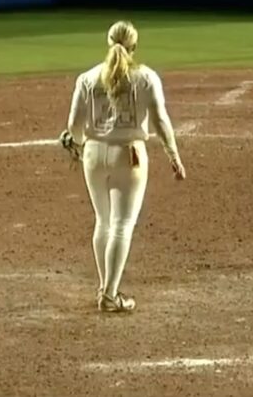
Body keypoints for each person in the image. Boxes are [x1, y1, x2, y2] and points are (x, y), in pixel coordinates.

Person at [59, 21, 187, 313]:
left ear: (108, 42)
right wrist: (174, 156)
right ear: (134, 47)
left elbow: (74, 127)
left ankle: (106, 287)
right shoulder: (145, 77)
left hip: (92, 155)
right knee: (122, 224)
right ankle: (110, 294)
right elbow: (160, 120)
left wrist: (73, 141)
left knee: (103, 221)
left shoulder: (87, 79)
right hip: (128, 155)